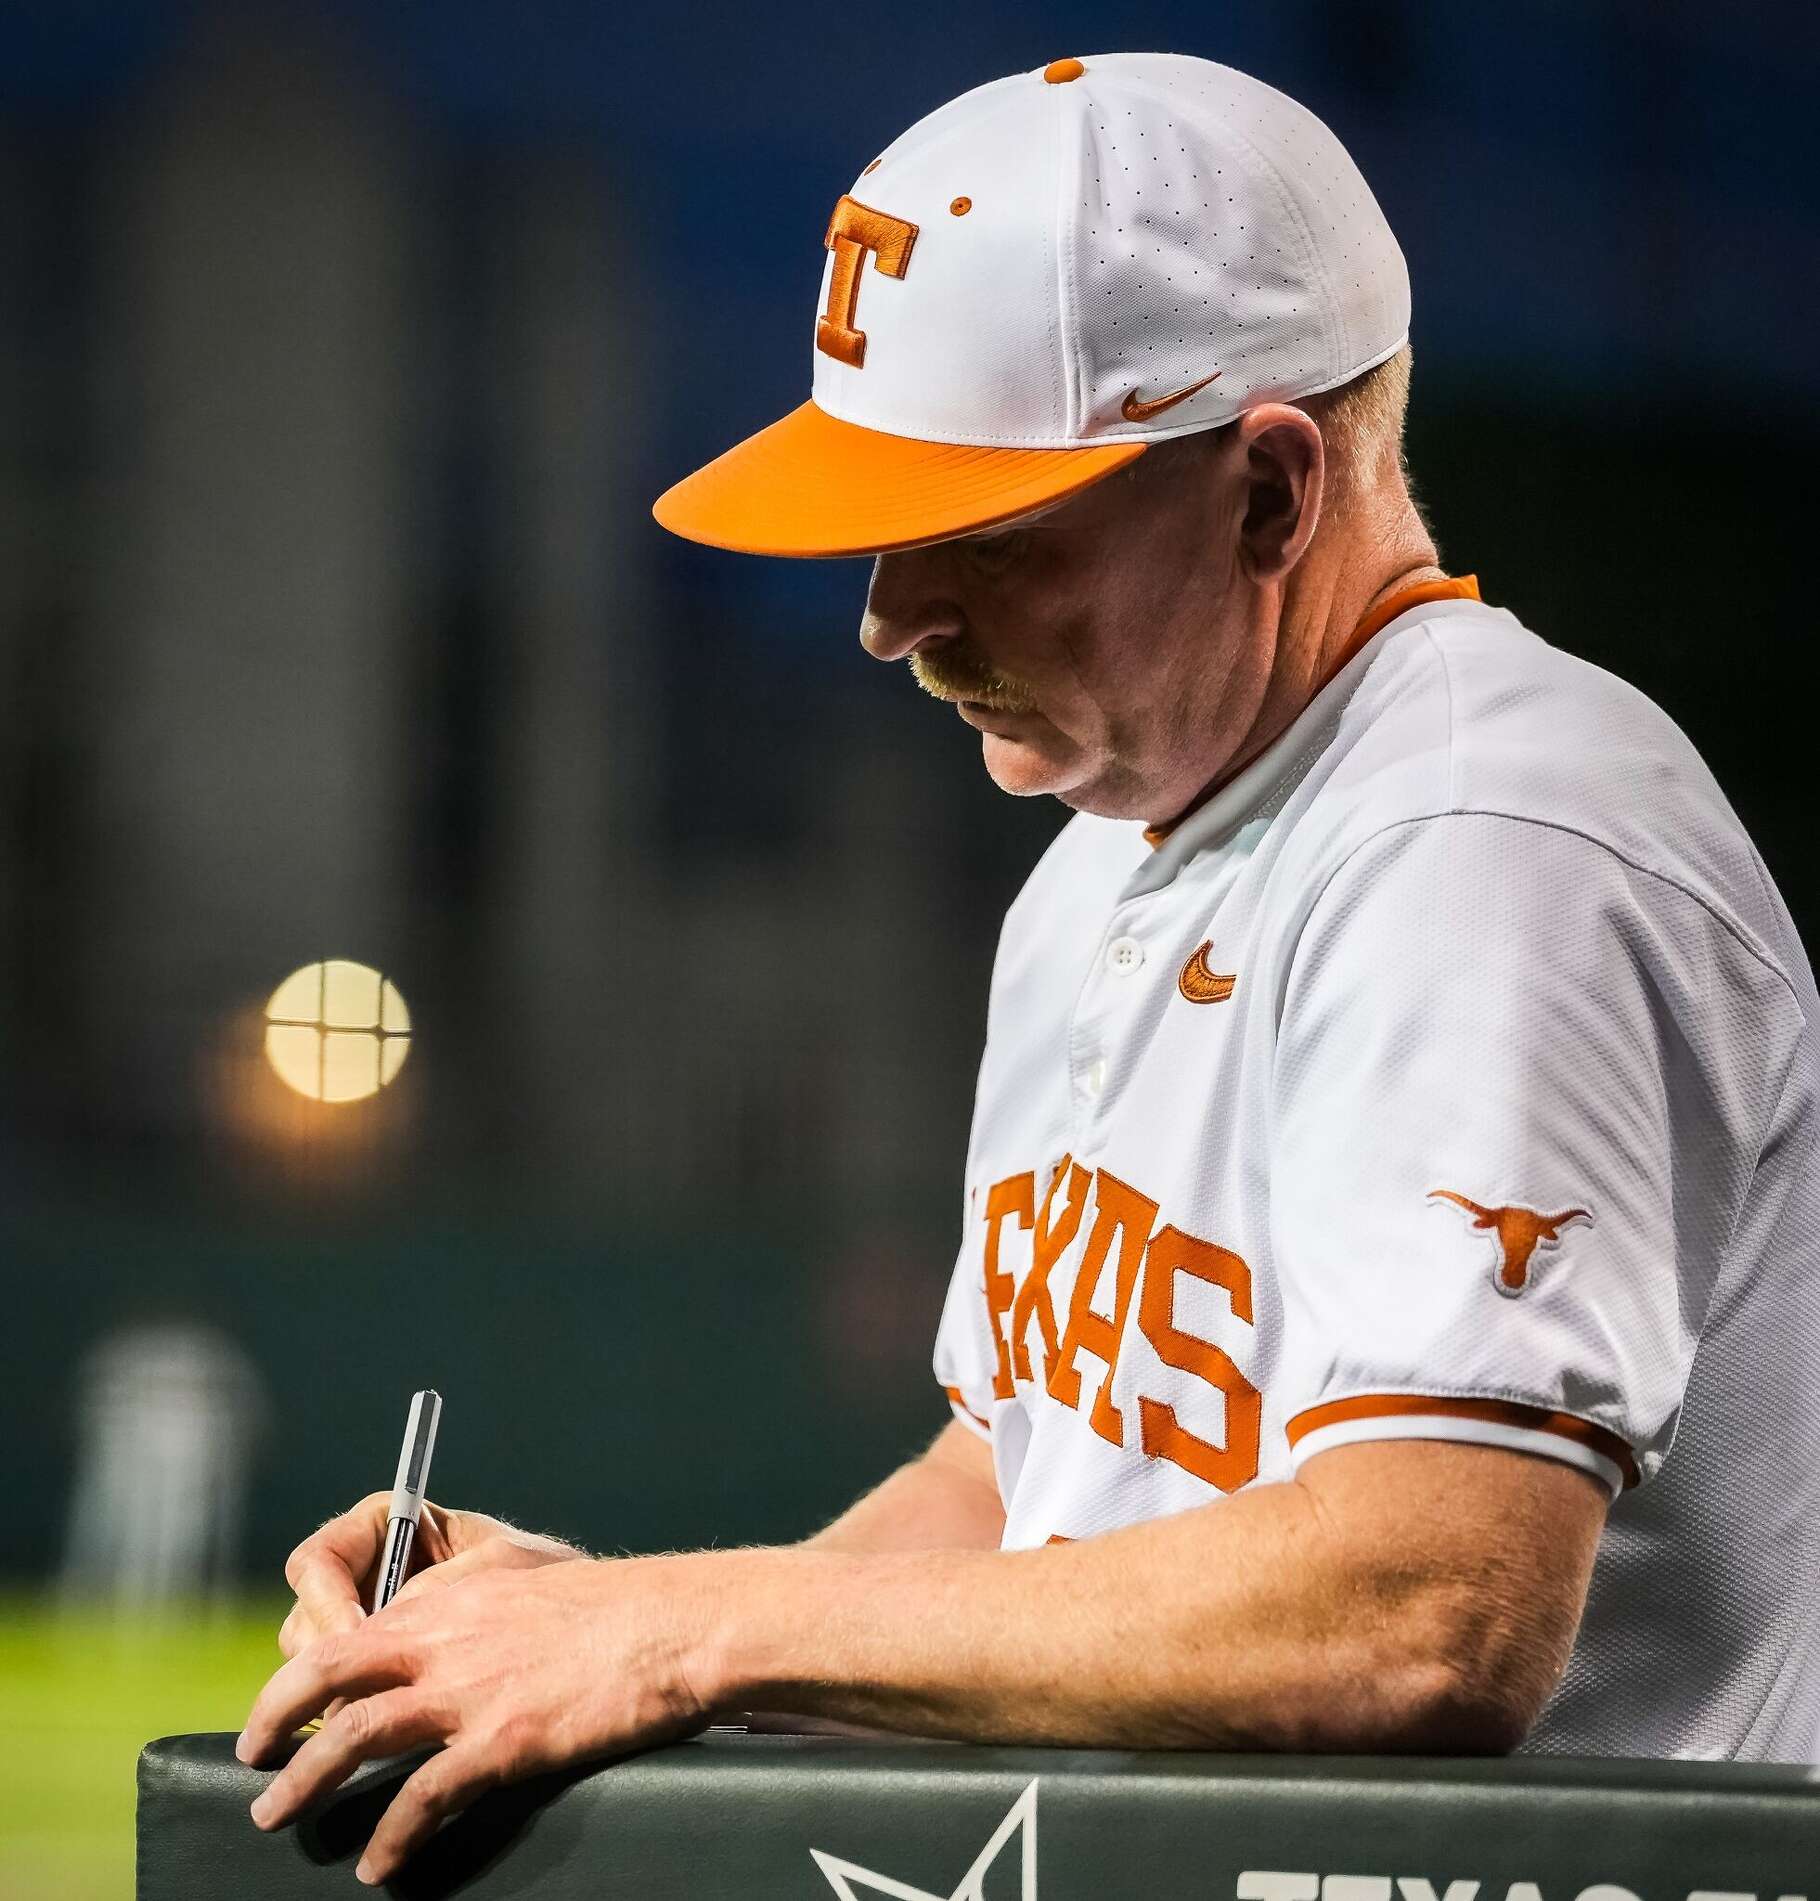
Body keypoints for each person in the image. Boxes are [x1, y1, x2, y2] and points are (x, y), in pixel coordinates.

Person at [237, 52, 1820, 1885]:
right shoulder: (1108, 858)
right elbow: (1016, 1492)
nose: (887, 614)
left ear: (1270, 492)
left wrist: (684, 1632)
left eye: (980, 533)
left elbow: (1421, 1612)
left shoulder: (1489, 837)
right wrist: (595, 1632)